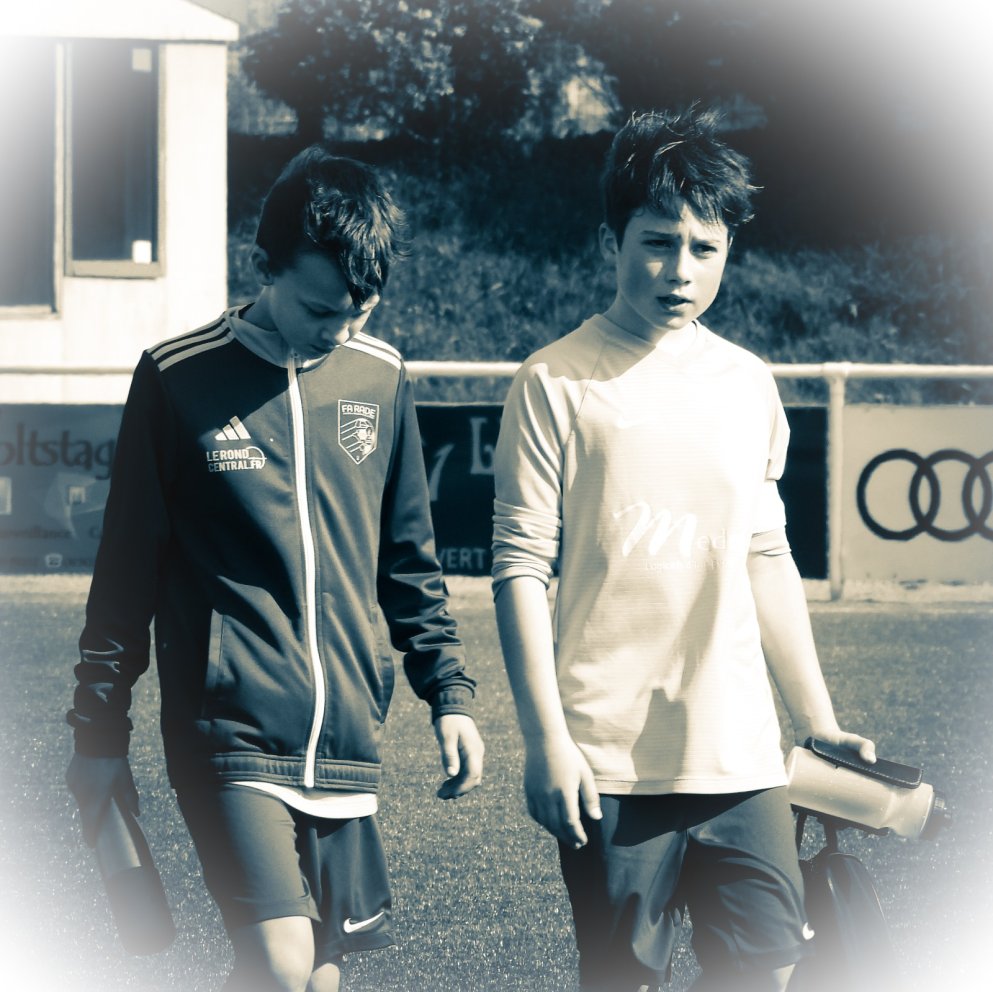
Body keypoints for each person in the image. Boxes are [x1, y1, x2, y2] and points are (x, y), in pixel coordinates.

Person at [67, 146, 484, 992]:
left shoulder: (381, 377)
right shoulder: (177, 378)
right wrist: (98, 732)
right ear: (265, 266)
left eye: (360, 312)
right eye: (320, 308)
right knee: (283, 964)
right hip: (228, 729)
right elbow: (126, 571)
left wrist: (449, 692)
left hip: (347, 739)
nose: (340, 331)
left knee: (317, 979)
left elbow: (408, 562)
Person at [491, 107, 875, 992]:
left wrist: (816, 722)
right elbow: (519, 569)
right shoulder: (553, 381)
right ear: (610, 242)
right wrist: (546, 740)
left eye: (705, 248)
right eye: (658, 243)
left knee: (768, 972)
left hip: (741, 755)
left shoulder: (747, 383)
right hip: (607, 760)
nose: (680, 270)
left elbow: (766, 557)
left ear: (729, 251)